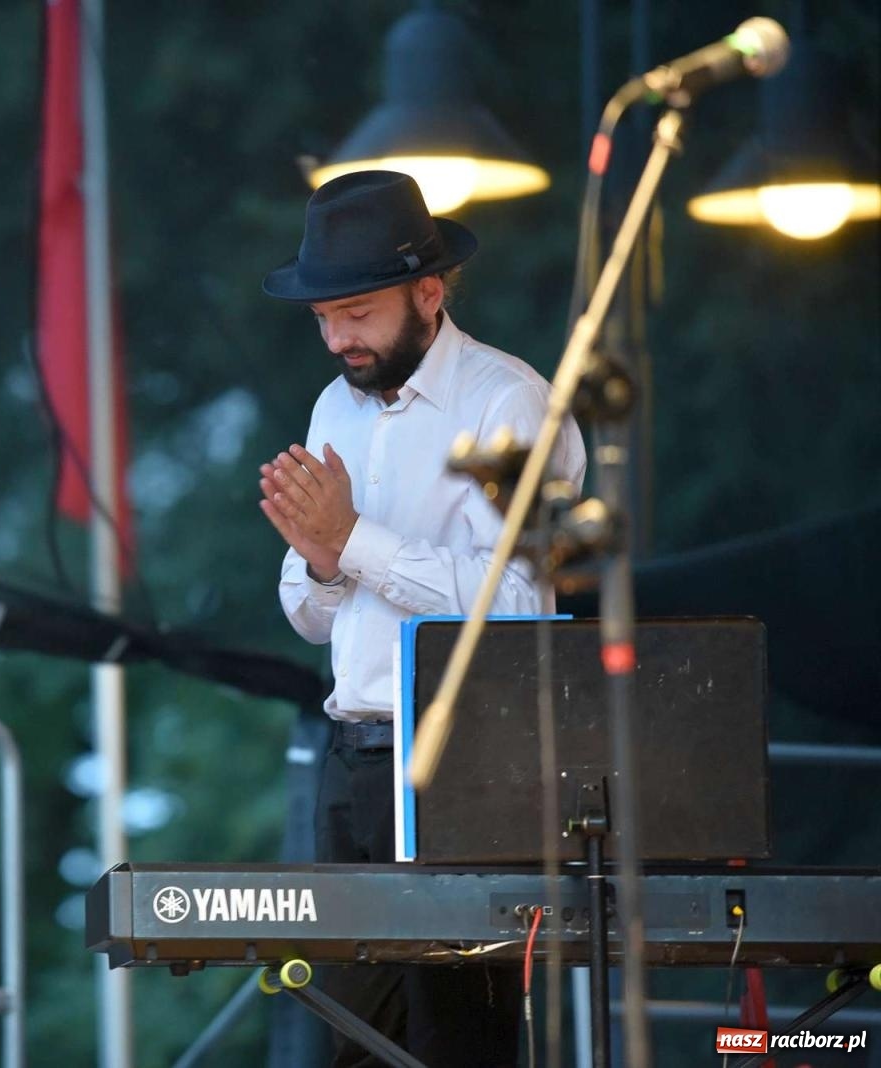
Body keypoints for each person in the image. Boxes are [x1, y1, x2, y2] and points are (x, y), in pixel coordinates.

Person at [257, 170, 588, 1067]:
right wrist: (324, 560)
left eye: (357, 312)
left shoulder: (505, 401)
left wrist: (354, 541)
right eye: (323, 317)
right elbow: (311, 617)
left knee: (458, 1042)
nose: (338, 338)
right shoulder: (335, 404)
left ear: (430, 292)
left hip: (466, 763)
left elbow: (522, 606)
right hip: (355, 756)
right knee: (356, 1045)